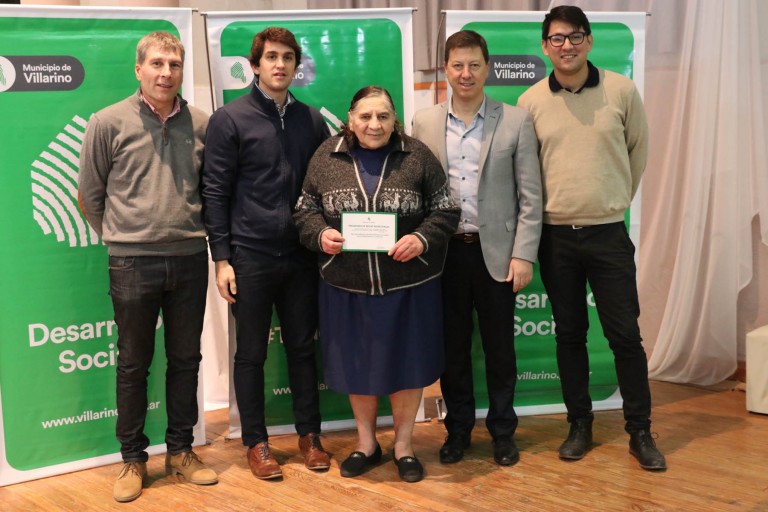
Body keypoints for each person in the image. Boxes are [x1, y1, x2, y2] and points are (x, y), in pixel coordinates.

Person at [517, 5, 666, 471]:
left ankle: (640, 431)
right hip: (555, 238)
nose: (567, 45)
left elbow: (638, 151)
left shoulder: (621, 90)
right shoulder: (530, 101)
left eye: (575, 36)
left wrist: (611, 198)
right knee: (569, 334)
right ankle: (579, 424)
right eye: (557, 38)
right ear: (545, 46)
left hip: (607, 234)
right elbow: (526, 171)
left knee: (625, 335)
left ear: (589, 41)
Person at [294, 85, 460, 483]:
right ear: (350, 119)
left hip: (409, 286)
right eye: (366, 116)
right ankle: (367, 443)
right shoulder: (326, 155)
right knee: (358, 367)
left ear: (394, 119)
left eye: (383, 116)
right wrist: (320, 234)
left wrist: (421, 238)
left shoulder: (416, 155)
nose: (374, 124)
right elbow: (304, 210)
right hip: (346, 286)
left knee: (408, 366)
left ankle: (404, 446)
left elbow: (446, 209)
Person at [78, 31, 216, 503]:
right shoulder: (107, 122)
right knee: (133, 363)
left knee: (186, 360)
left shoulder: (202, 123)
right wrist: (122, 235)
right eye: (157, 63)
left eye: (174, 64)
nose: (166, 73)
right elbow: (89, 195)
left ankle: (181, 451)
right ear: (139, 69)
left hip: (190, 259)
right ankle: (133, 458)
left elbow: (211, 191)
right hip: (131, 262)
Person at [201, 27, 331, 480]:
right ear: (255, 65)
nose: (280, 64)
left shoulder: (311, 120)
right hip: (249, 256)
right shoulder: (229, 119)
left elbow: (324, 188)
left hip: (300, 257)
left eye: (288, 57)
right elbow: (214, 192)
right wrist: (222, 258)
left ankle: (310, 435)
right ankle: (256, 442)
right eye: (271, 57)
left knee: (302, 348)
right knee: (251, 354)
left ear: (297, 66)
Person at [412, 30, 542, 467]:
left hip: (497, 254)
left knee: (500, 349)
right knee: (453, 350)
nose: (465, 74)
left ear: (487, 68)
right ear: (445, 69)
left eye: (474, 65)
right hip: (444, 255)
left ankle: (503, 432)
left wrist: (523, 255)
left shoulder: (516, 120)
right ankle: (458, 431)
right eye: (457, 65)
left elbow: (531, 196)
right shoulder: (425, 122)